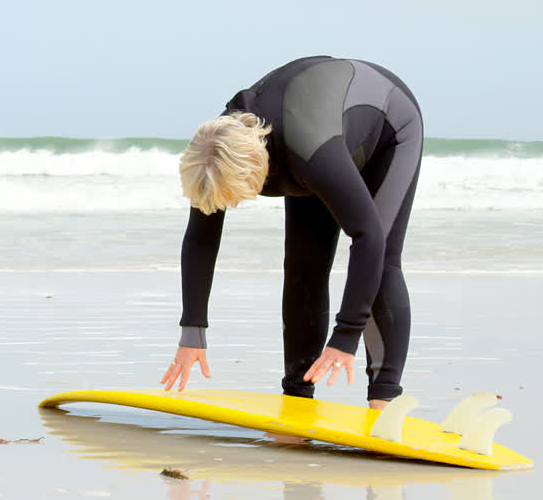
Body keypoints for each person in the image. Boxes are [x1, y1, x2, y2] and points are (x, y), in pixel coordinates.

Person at [160, 56, 423, 412]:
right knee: (303, 267)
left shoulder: (310, 152)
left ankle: (384, 400)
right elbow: (201, 237)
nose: (233, 206)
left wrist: (345, 336)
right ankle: (297, 400)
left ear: (259, 169)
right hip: (315, 132)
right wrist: (192, 331)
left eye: (237, 197)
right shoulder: (214, 150)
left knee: (384, 257)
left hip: (387, 127)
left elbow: (367, 237)